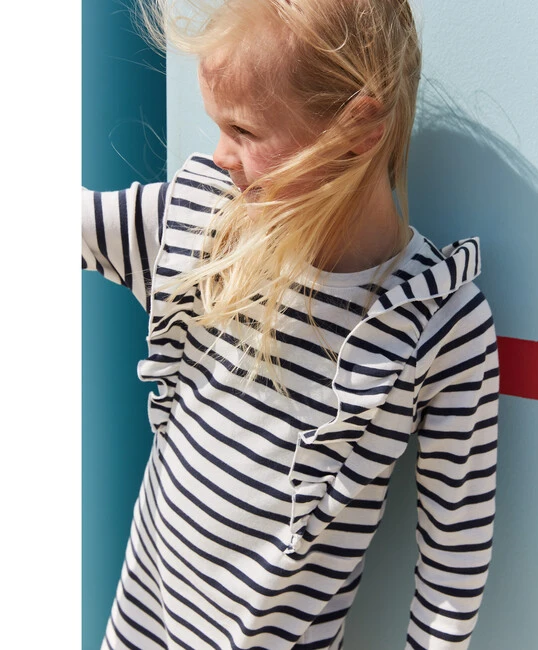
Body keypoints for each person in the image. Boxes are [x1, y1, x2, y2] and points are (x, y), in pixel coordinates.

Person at [82, 0, 499, 648]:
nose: (220, 155)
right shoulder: (202, 227)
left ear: (360, 127)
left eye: (243, 130)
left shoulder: (437, 322)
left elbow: (455, 557)